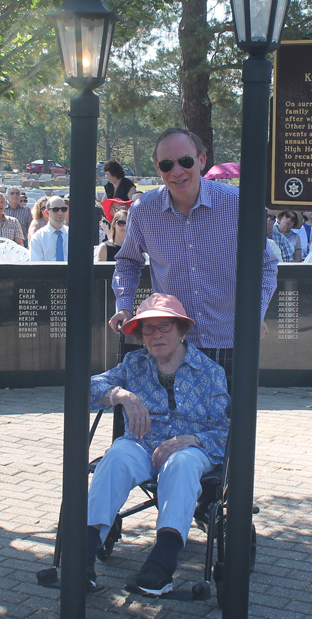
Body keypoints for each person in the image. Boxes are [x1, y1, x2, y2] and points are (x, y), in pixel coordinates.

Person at [109, 128, 278, 388]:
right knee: (173, 425)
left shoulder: (239, 204)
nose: (177, 171)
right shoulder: (143, 211)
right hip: (173, 343)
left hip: (232, 339)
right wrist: (124, 305)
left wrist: (256, 313)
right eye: (167, 164)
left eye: (185, 161)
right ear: (157, 167)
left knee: (231, 426)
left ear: (201, 160)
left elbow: (265, 264)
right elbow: (128, 262)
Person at [86, 293, 230, 595]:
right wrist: (121, 395)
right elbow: (87, 387)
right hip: (142, 445)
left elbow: (227, 430)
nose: (156, 335)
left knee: (182, 462)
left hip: (192, 450)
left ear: (181, 332)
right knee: (117, 454)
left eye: (164, 327)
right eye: (148, 329)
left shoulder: (210, 372)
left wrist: (193, 440)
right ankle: (82, 556)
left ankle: (161, 567)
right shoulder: (133, 363)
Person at [29, 196, 69, 261]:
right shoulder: (38, 238)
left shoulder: (74, 236)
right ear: (47, 213)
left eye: (63, 209)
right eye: (55, 209)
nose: (60, 212)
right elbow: (36, 268)